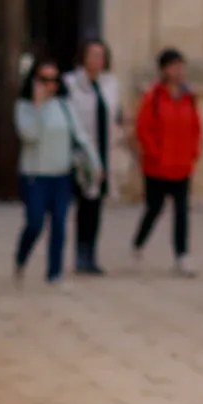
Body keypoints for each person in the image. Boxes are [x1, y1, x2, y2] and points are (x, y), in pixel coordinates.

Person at [13, 57, 96, 285]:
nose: (49, 85)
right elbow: (30, 136)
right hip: (35, 175)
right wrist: (38, 108)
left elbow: (81, 135)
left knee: (59, 223)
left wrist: (95, 162)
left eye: (54, 80)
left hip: (61, 174)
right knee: (35, 223)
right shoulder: (24, 108)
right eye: (44, 79)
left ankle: (54, 272)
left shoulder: (65, 106)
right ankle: (21, 257)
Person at [131, 48, 202, 277]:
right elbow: (143, 128)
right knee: (154, 208)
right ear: (164, 70)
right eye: (174, 66)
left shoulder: (189, 96)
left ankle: (182, 255)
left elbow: (196, 127)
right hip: (157, 167)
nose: (179, 70)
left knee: (182, 211)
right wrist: (155, 153)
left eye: (181, 66)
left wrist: (193, 152)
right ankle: (139, 243)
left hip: (181, 165)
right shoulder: (153, 97)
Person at [65, 38, 124, 275]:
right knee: (84, 204)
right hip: (81, 151)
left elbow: (116, 114)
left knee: (96, 205)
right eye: (92, 55)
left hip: (105, 150)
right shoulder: (71, 83)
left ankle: (91, 254)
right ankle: (80, 253)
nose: (96, 60)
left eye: (100, 56)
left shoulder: (110, 84)